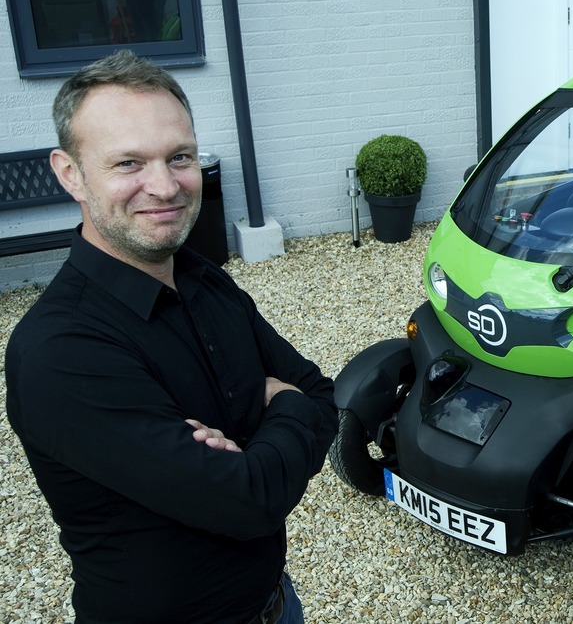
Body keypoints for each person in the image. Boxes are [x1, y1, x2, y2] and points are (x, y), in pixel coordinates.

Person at [5, 50, 336, 623]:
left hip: (277, 606)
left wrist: (256, 445)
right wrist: (280, 403)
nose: (164, 186)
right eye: (129, 163)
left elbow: (324, 394)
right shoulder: (60, 352)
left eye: (178, 157)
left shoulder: (202, 277)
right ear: (70, 173)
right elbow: (250, 500)